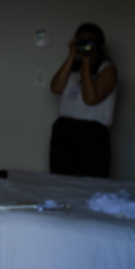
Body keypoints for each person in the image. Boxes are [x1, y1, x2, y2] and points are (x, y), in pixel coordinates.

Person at [49, 22, 118, 178]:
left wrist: (86, 63)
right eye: (80, 41)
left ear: (99, 45)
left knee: (91, 183)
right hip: (64, 129)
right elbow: (55, 88)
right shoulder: (73, 69)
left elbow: (90, 98)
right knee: (60, 180)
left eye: (89, 41)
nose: (85, 45)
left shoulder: (108, 69)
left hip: (91, 134)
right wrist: (72, 56)